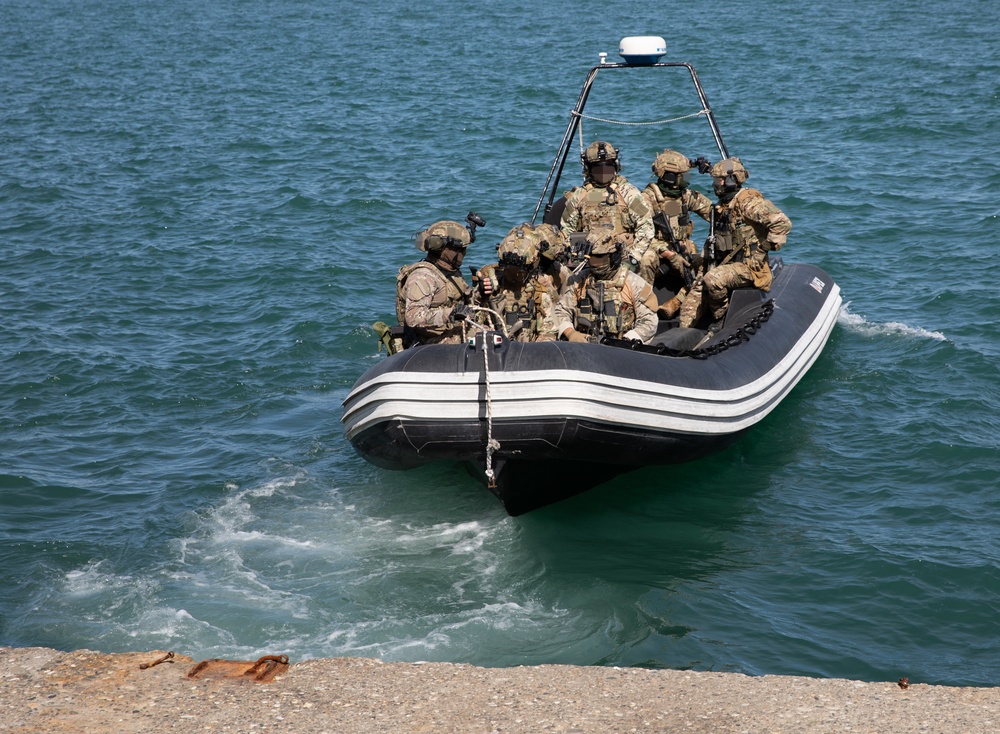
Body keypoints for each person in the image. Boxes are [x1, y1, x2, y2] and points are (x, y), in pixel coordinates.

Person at [678, 158, 792, 331]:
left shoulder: (748, 203)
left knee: (712, 279)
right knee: (687, 312)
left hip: (748, 266)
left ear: (730, 182)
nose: (715, 185)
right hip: (724, 264)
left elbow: (782, 223)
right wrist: (704, 168)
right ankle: (683, 337)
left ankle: (721, 317)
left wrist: (762, 251)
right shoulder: (725, 204)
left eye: (718, 181)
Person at [559, 140, 655, 284]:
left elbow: (646, 227)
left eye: (607, 167)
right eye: (598, 168)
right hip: (591, 256)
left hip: (623, 255)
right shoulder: (580, 196)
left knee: (648, 258)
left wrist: (633, 257)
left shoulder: (628, 193)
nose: (603, 172)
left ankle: (640, 300)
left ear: (615, 166)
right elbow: (566, 230)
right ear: (589, 169)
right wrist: (573, 251)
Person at [553, 226, 659, 345]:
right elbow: (562, 310)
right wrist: (571, 333)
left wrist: (627, 340)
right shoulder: (579, 281)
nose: (595, 264)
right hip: (585, 347)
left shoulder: (635, 283)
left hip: (623, 348)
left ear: (614, 257)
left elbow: (649, 322)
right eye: (591, 258)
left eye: (600, 258)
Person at [641, 149, 714, 317]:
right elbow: (638, 234)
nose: (687, 179)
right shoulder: (646, 199)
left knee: (706, 267)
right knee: (646, 260)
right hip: (658, 253)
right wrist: (666, 253)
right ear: (670, 177)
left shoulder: (686, 196)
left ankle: (676, 302)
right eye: (683, 175)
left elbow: (712, 212)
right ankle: (644, 308)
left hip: (682, 250)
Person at [473, 224, 560, 342]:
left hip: (527, 351)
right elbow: (472, 319)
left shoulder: (540, 289)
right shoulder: (491, 284)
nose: (515, 275)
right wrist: (480, 294)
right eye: (510, 269)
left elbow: (549, 332)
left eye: (520, 271)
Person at [395, 220, 475, 346]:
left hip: (450, 331)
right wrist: (450, 313)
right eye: (460, 249)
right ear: (444, 249)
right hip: (426, 342)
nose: (463, 253)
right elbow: (413, 317)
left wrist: (482, 293)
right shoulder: (423, 277)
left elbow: (464, 303)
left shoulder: (451, 273)